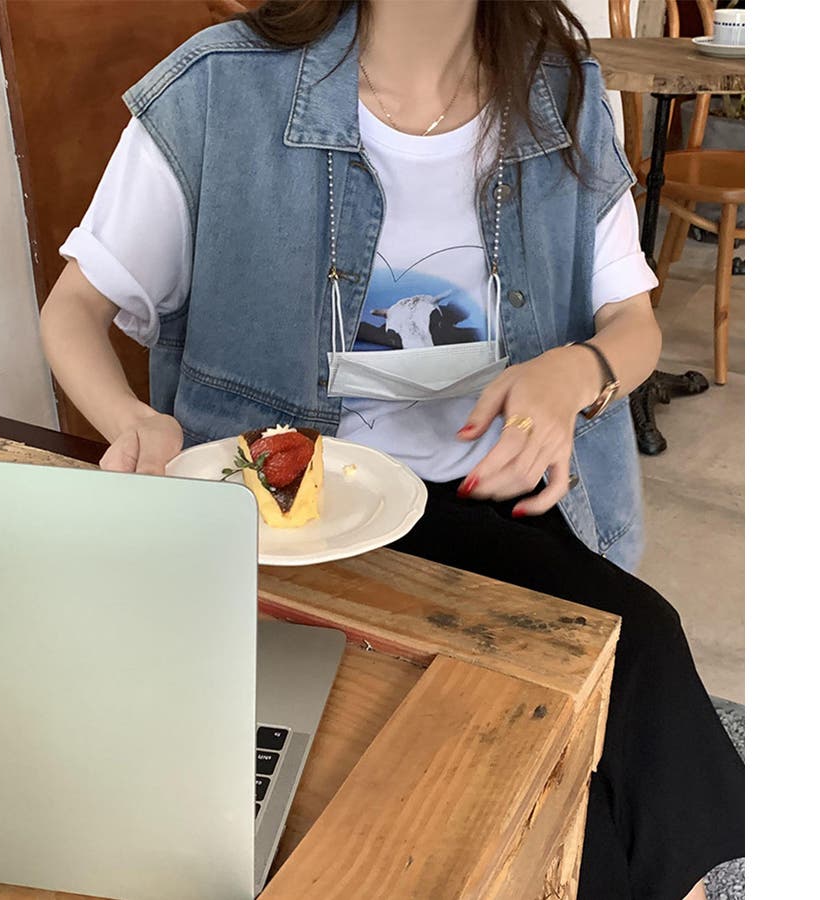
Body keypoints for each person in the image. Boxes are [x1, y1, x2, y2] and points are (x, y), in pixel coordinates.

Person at [39, 2, 744, 897]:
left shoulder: (559, 90)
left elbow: (633, 323)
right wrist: (128, 418)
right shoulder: (219, 85)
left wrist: (577, 372)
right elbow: (75, 307)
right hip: (283, 521)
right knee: (474, 772)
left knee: (635, 661)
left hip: (488, 497)